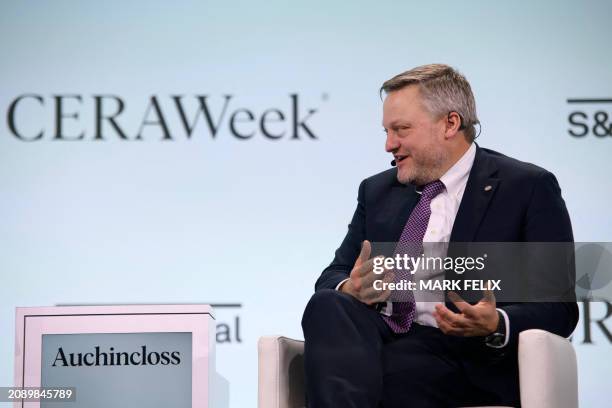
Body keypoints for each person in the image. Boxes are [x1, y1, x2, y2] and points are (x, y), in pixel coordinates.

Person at [301, 63, 578, 407]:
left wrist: (496, 322)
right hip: (379, 338)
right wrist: (352, 287)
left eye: (401, 129)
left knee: (380, 371)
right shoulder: (377, 191)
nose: (389, 145)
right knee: (329, 302)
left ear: (450, 123)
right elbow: (332, 276)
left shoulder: (527, 188)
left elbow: (560, 308)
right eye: (386, 131)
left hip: (462, 356)